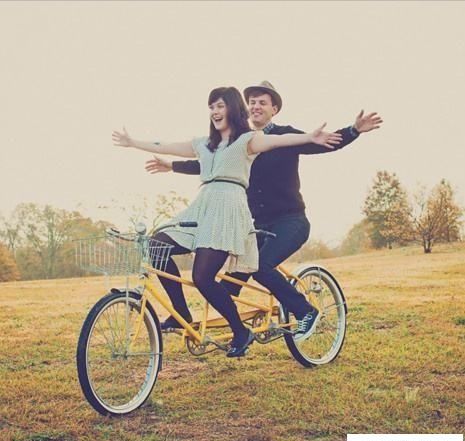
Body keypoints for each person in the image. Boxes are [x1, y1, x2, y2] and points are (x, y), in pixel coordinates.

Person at [113, 86, 343, 357]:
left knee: (202, 276)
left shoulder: (247, 140)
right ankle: (181, 312)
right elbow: (164, 145)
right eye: (211, 107)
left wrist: (309, 137)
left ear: (232, 109)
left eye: (220, 106)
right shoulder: (204, 144)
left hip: (229, 210)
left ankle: (240, 331)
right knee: (156, 246)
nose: (214, 111)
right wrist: (133, 142)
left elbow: (279, 141)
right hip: (203, 207)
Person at [145, 81, 383, 342]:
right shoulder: (239, 140)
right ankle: (231, 332)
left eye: (262, 102)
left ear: (274, 109)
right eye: (252, 102)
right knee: (227, 283)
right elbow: (211, 165)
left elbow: (318, 142)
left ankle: (305, 310)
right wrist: (172, 166)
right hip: (254, 225)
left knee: (260, 266)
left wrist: (353, 130)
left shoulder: (282, 136)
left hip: (290, 221)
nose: (256, 106)